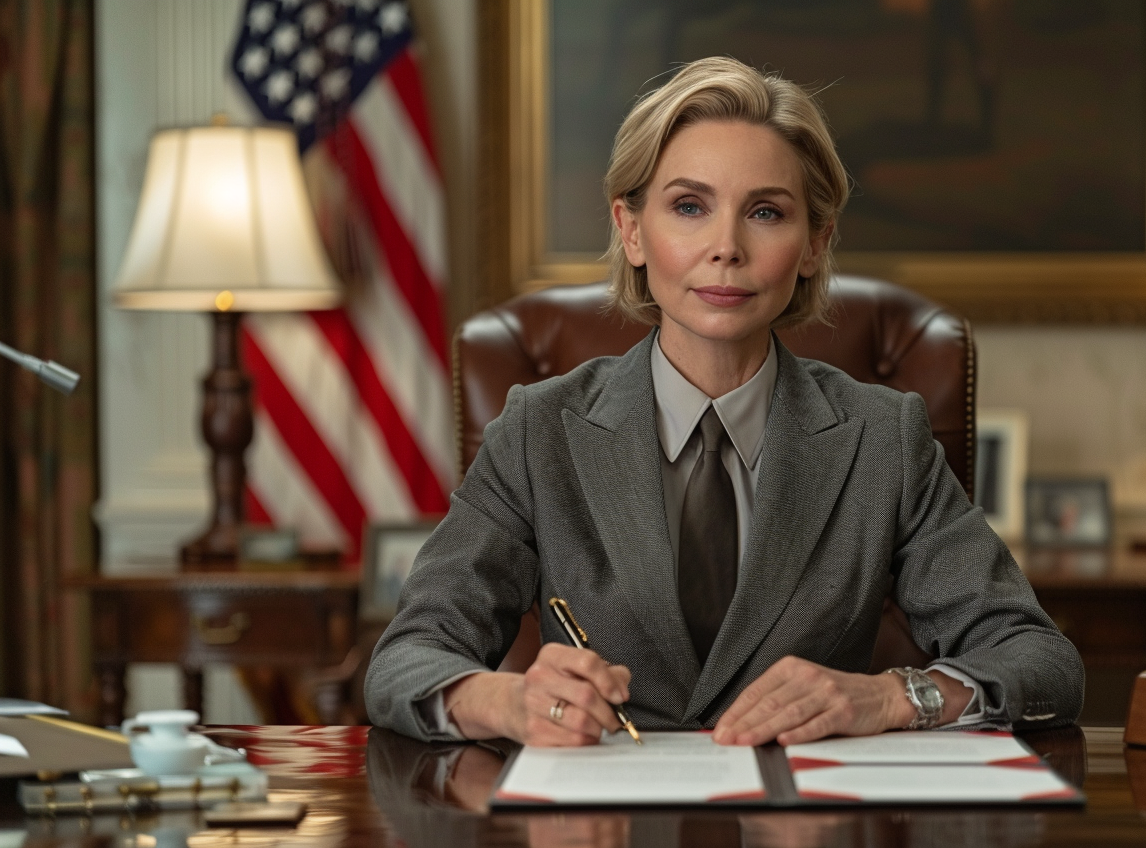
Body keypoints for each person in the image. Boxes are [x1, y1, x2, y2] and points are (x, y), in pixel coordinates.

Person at [365, 57, 1083, 747]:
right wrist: (504, 698)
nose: (726, 247)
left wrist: (893, 695)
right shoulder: (539, 430)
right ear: (632, 229)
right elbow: (407, 658)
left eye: (766, 212)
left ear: (814, 244)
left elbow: (1041, 663)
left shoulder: (883, 437)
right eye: (688, 206)